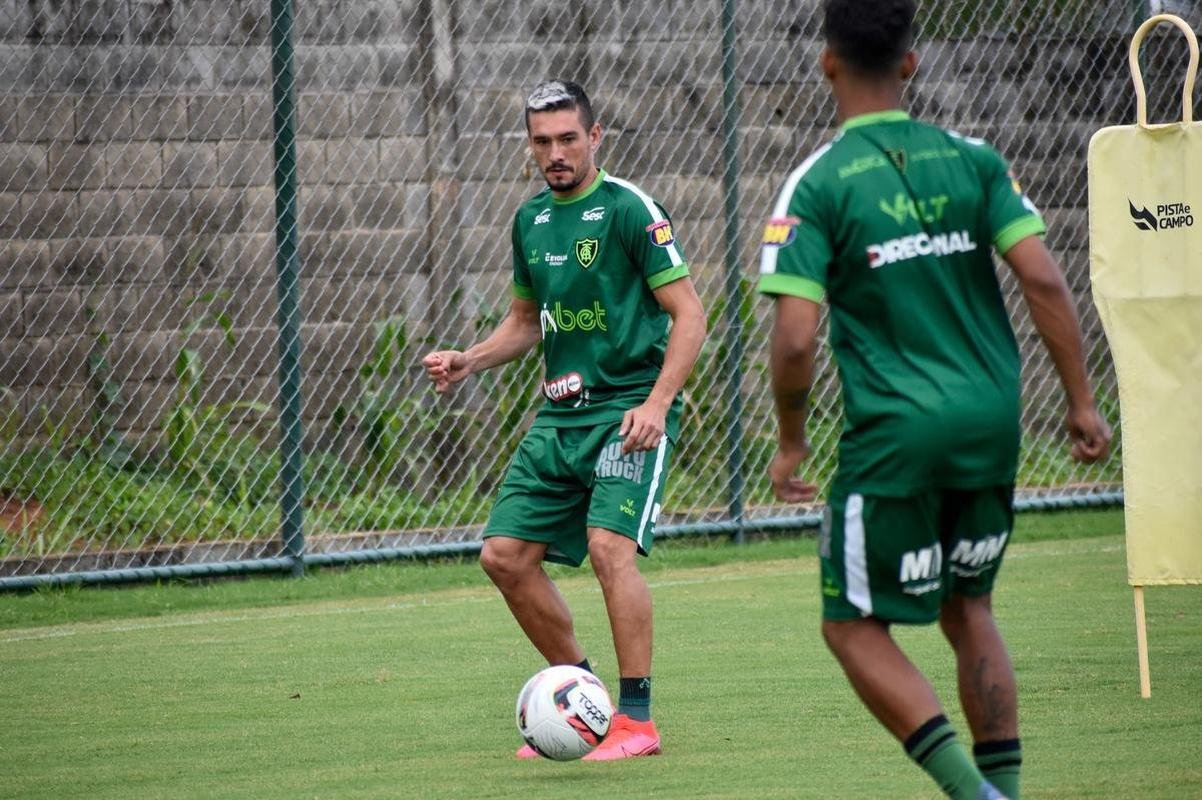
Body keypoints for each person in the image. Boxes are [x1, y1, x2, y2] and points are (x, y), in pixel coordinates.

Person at [757, 2, 1112, 798]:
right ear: (911, 64)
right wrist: (1082, 401)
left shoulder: (815, 185)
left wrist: (790, 439)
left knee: (850, 623)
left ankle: (975, 795)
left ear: (826, 64)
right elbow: (1045, 279)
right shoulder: (975, 160)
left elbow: (794, 338)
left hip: (897, 431)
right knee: (968, 606)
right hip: (992, 419)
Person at [422, 80, 706, 761]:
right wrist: (471, 360)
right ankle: (586, 702)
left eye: (567, 138)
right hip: (560, 417)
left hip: (626, 413)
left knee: (609, 549)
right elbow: (525, 323)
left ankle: (636, 722)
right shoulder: (530, 222)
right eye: (543, 140)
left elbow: (689, 314)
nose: (555, 152)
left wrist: (657, 404)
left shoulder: (631, 210)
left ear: (595, 136)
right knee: (504, 557)